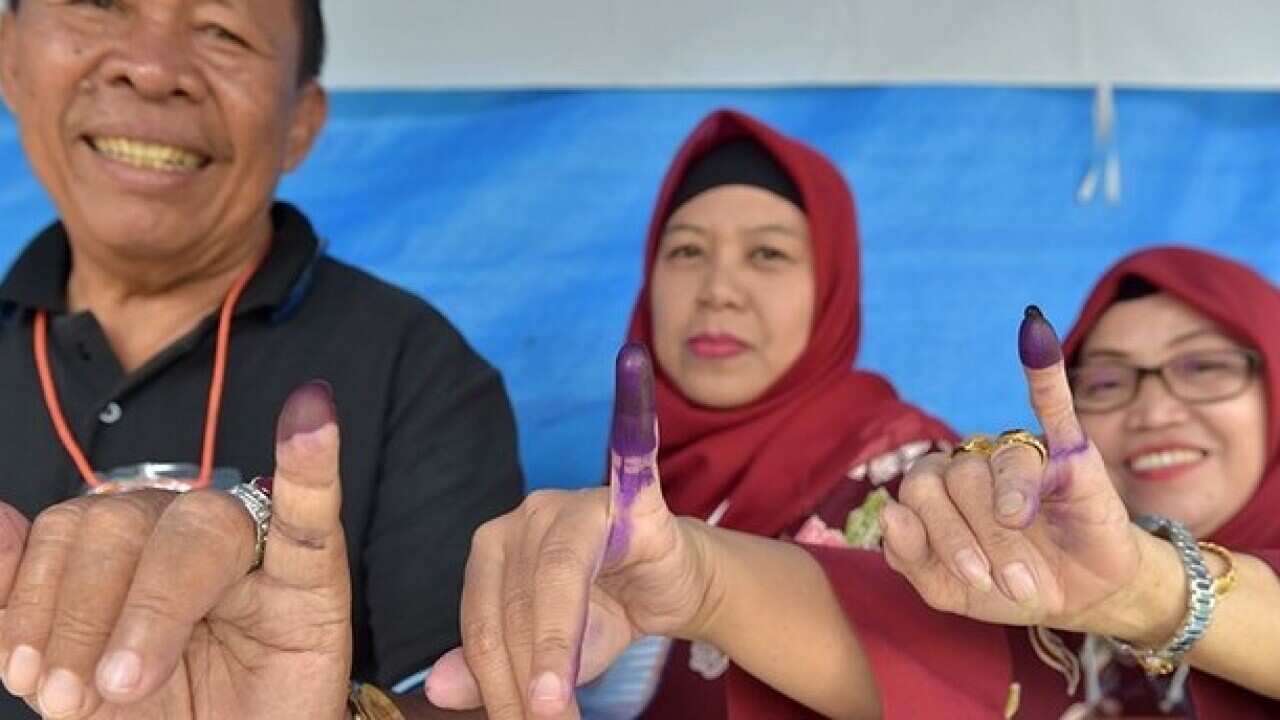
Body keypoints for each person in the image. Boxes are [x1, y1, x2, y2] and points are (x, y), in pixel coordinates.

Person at [424, 246, 1280, 719]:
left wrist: (1147, 587)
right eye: (1110, 380)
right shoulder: (1042, 584)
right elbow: (905, 653)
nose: (1158, 407)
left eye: (1206, 368)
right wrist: (694, 575)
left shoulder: (903, 473)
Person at [0, 1, 521, 717]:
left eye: (221, 29)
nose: (152, 70)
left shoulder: (418, 372)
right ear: (9, 57)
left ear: (301, 122)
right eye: (100, 4)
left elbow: (473, 698)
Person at [579, 108, 955, 718]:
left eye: (767, 255)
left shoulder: (917, 485)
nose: (718, 288)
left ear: (831, 285)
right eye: (686, 251)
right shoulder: (631, 484)